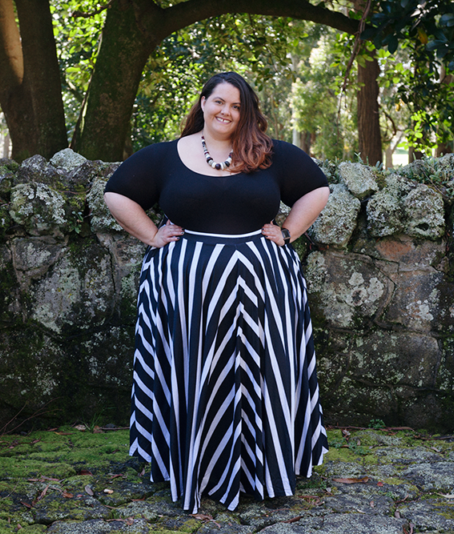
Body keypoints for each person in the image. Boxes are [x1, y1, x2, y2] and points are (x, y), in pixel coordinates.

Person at [104, 72, 330, 513]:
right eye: (219, 102)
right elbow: (117, 194)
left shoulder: (268, 154)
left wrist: (287, 232)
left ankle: (266, 470)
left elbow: (317, 190)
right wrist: (152, 236)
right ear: (203, 102)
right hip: (187, 290)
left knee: (264, 376)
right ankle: (195, 469)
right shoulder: (166, 156)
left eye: (237, 106)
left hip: (263, 285)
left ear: (247, 112)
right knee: (194, 375)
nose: (227, 111)